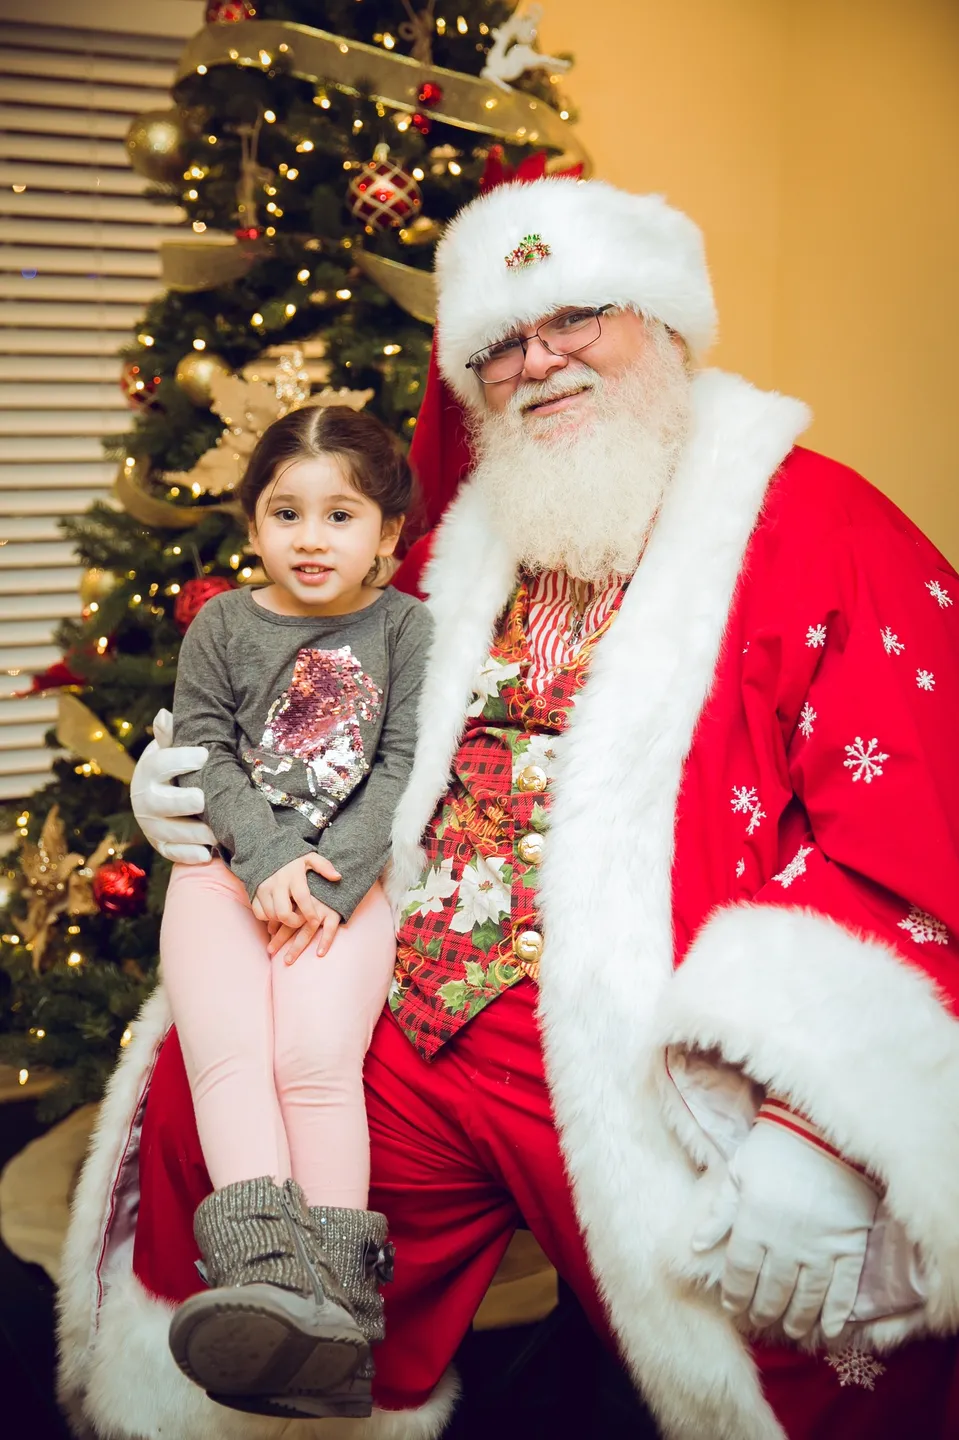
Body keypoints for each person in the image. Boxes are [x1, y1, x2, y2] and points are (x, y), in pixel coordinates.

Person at [58, 178, 959, 1440]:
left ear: (661, 321)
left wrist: (820, 1114)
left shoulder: (823, 528)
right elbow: (320, 717)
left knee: (809, 1352)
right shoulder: (458, 544)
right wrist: (195, 799)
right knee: (229, 1209)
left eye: (575, 316)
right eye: (499, 346)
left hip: (639, 1046)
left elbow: (919, 825)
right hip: (409, 1013)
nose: (539, 362)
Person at [157, 404, 431, 1417]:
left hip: (343, 885)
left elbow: (405, 764)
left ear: (387, 536)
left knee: (311, 1064)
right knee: (227, 1056)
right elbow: (204, 751)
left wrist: (327, 874)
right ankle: (268, 1293)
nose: (311, 538)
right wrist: (264, 857)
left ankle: (339, 1330)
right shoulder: (224, 624)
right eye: (285, 512)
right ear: (253, 523)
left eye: (340, 515)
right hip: (223, 875)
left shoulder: (404, 628)